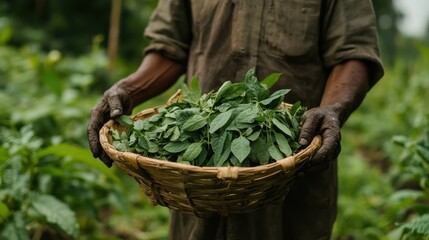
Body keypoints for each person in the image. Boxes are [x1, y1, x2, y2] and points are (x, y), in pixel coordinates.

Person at [88, 0, 384, 239]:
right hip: (198, 167)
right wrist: (127, 89)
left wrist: (332, 108)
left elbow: (352, 53)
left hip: (293, 156)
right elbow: (170, 46)